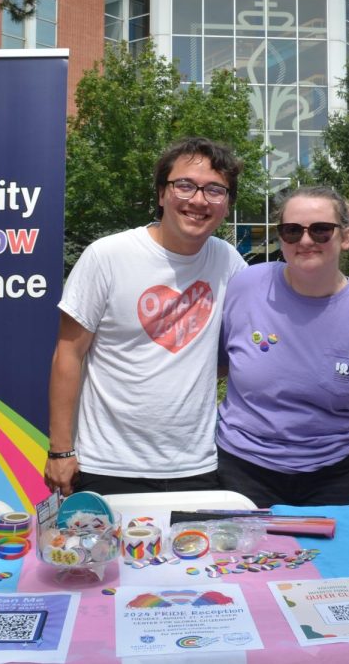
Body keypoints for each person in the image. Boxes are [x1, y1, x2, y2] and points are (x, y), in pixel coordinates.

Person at [45, 137, 246, 496]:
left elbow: (248, 342)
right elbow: (68, 354)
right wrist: (61, 450)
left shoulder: (228, 262)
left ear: (227, 205)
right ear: (160, 194)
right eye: (184, 185)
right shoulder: (107, 256)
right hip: (107, 465)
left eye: (215, 190)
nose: (198, 200)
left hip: (197, 465)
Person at [216, 186, 349, 506]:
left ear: (345, 237)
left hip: (336, 472)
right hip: (243, 468)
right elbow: (216, 365)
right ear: (281, 238)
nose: (305, 240)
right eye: (292, 231)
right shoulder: (247, 287)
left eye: (321, 230)